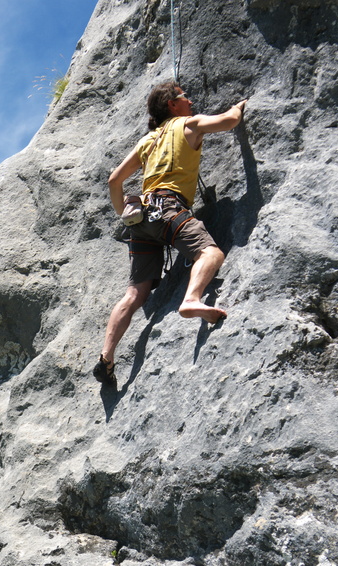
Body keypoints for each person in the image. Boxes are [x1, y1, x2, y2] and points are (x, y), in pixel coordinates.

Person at [93, 81, 246, 384]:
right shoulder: (189, 124)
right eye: (185, 97)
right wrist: (238, 107)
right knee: (210, 252)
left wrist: (123, 211)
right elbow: (229, 122)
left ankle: (106, 358)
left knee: (134, 293)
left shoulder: (147, 141)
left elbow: (114, 180)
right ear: (173, 105)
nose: (191, 101)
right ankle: (191, 299)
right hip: (168, 208)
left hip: (141, 220)